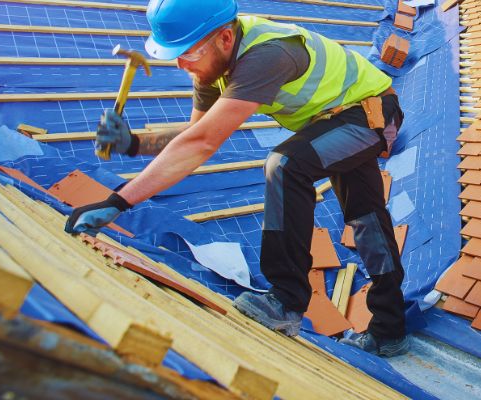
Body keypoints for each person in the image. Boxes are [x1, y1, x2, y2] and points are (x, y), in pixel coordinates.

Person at [65, 0, 409, 357]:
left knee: (286, 165)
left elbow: (200, 145)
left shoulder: (267, 56)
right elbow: (195, 135)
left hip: (371, 113)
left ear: (225, 38)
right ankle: (390, 329)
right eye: (175, 55)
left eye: (189, 53)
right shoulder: (210, 66)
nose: (183, 64)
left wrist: (117, 202)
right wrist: (134, 143)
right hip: (334, 122)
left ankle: (286, 301)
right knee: (366, 217)